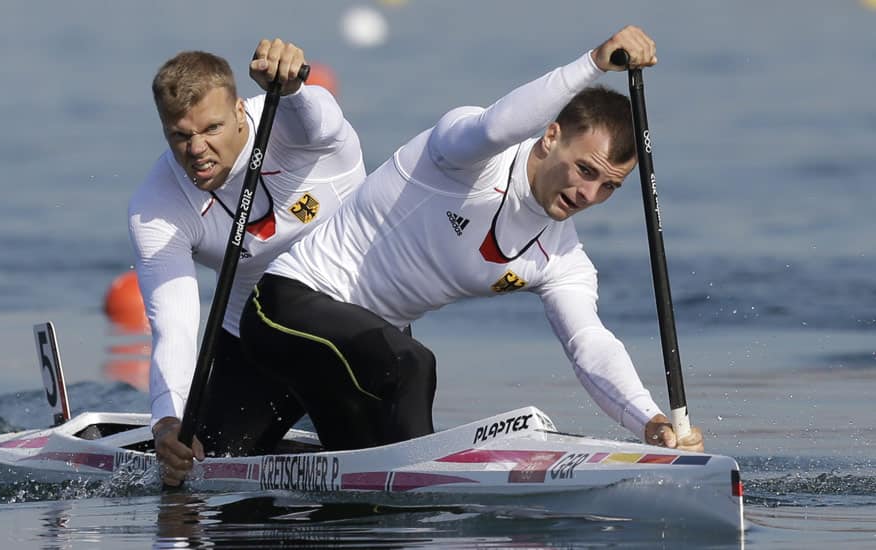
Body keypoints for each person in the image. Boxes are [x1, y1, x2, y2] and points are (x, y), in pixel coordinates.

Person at [241, 25, 704, 453]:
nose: (589, 194)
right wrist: (594, 63)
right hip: (288, 308)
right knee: (413, 365)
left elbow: (589, 343)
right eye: (585, 170)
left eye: (609, 187)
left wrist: (650, 421)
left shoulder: (561, 256)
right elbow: (497, 125)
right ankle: (422, 498)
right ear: (550, 137)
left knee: (248, 454)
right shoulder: (468, 154)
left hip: (362, 355)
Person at [128, 39, 366, 486]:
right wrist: (167, 421)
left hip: (356, 319)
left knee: (373, 445)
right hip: (254, 340)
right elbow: (174, 324)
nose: (196, 149)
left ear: (241, 110)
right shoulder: (156, 206)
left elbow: (319, 117)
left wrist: (294, 86)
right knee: (208, 474)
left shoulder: (292, 123)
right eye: (180, 135)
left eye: (211, 128)